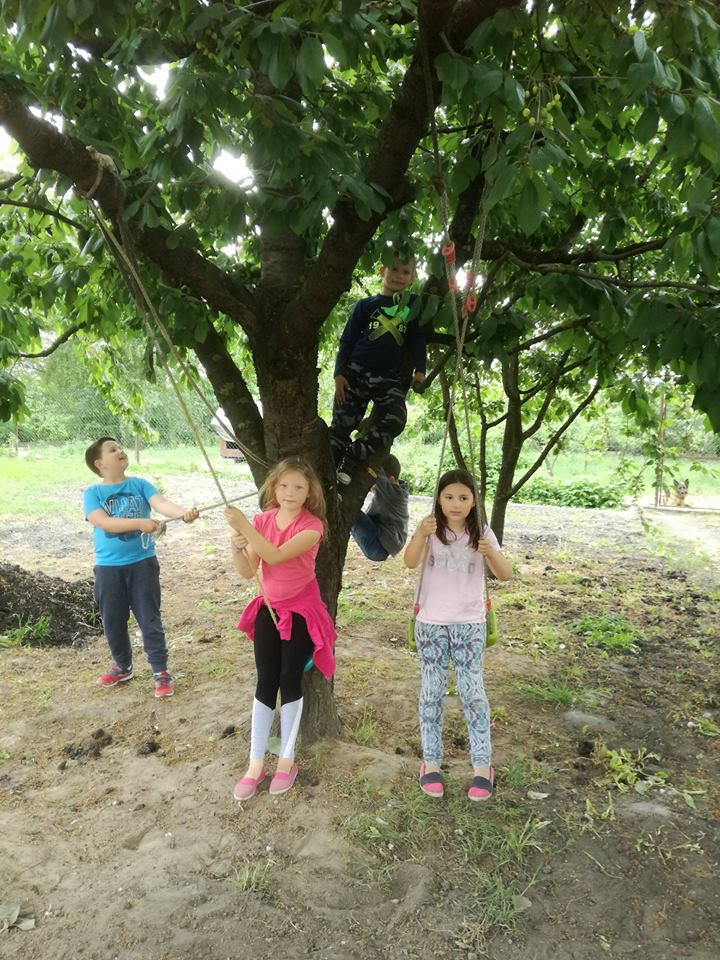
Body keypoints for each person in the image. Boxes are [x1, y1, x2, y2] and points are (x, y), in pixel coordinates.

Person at [225, 457, 336, 801]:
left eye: (299, 487)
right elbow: (249, 571)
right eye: (284, 485)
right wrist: (237, 546)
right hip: (268, 610)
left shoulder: (312, 526)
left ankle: (286, 760)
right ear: (273, 487)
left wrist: (245, 527)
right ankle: (255, 763)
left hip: (301, 613)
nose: (290, 492)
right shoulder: (262, 521)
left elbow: (274, 556)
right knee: (265, 679)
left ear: (309, 493)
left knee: (289, 679)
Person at [404, 469, 512, 801]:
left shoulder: (482, 532)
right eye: (449, 496)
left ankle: (482, 767)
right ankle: (431, 762)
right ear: (438, 498)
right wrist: (420, 535)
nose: (456, 503)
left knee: (472, 692)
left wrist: (490, 552)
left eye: (464, 498)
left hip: (469, 623)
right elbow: (409, 563)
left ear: (473, 501)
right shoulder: (430, 530)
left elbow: (505, 575)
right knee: (432, 692)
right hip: (431, 623)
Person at [83, 436, 199, 699]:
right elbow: (104, 523)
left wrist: (182, 513)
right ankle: (123, 666)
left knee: (149, 618)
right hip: (108, 569)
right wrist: (139, 522)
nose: (120, 451)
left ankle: (160, 672)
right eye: (113, 450)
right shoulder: (93, 493)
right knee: (113, 621)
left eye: (121, 447)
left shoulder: (140, 485)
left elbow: (161, 504)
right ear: (99, 463)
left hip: (142, 565)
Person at [329, 255, 426, 485]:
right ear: (382, 271)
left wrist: (421, 370)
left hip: (387, 377)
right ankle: (327, 475)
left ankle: (354, 454)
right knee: (341, 427)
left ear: (411, 278)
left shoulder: (411, 306)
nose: (399, 276)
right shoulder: (365, 305)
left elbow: (419, 340)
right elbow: (347, 341)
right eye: (394, 269)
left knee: (396, 418)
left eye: (405, 272)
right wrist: (339, 373)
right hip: (355, 372)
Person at [350, 454, 409, 561]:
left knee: (349, 508)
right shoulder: (393, 493)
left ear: (390, 480)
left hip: (379, 547)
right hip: (380, 546)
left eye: (372, 482)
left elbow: (376, 472)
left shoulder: (394, 493)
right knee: (348, 511)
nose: (370, 485)